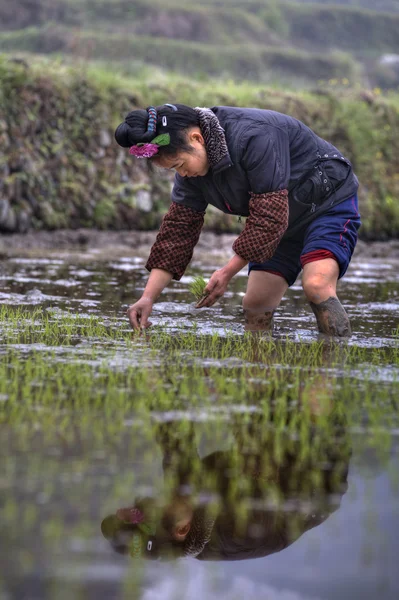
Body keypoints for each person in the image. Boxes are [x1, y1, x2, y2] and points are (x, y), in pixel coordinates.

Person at [115, 104, 361, 336]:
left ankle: (332, 365)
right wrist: (148, 297)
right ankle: (260, 374)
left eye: (180, 164)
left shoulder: (254, 136)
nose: (182, 174)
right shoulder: (191, 175)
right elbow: (177, 235)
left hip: (326, 204)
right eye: (174, 170)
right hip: (278, 225)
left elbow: (269, 217)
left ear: (197, 139)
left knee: (316, 285)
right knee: (255, 304)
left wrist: (226, 272)